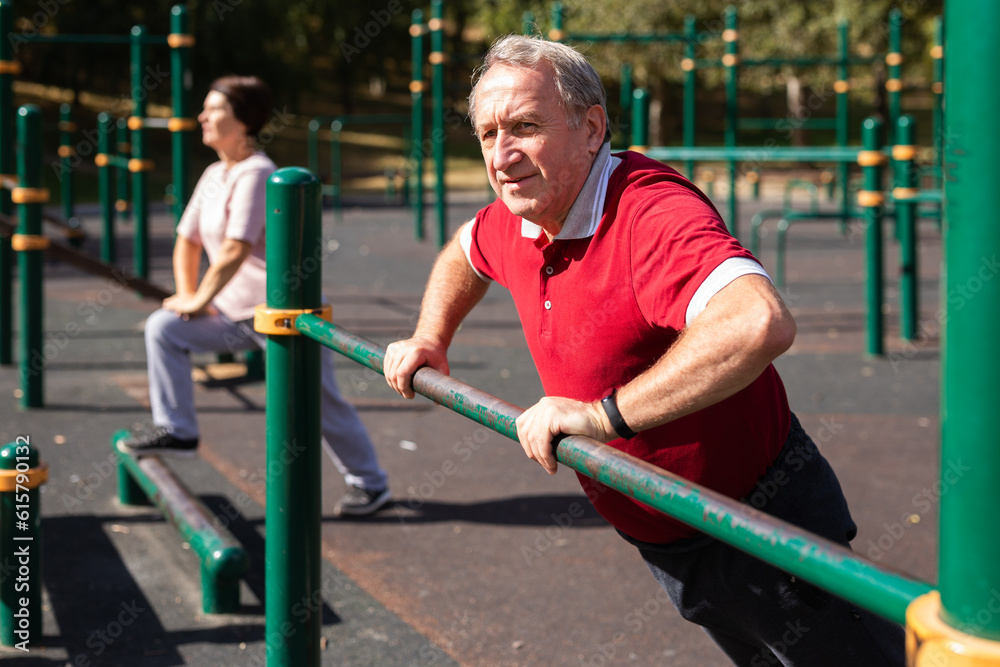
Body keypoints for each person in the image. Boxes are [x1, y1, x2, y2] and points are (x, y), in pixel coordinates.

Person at [383, 36, 904, 665]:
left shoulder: (648, 214)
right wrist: (431, 337)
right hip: (669, 531)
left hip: (755, 522)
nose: (503, 154)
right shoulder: (521, 213)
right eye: (488, 134)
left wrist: (603, 417)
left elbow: (758, 323)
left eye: (525, 126)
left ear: (591, 127)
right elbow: (468, 249)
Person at [118, 75, 391, 517]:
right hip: (231, 314)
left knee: (319, 402)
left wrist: (198, 296)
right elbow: (187, 240)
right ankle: (178, 430)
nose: (202, 116)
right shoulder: (213, 173)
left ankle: (371, 485)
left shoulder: (259, 172)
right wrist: (192, 296)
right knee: (164, 329)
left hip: (282, 313)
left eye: (214, 110)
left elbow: (234, 247)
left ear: (243, 121)